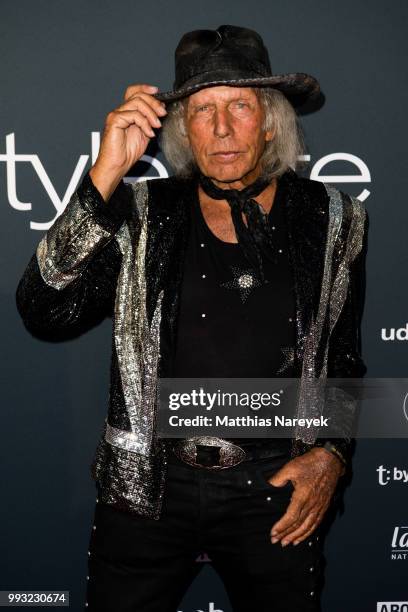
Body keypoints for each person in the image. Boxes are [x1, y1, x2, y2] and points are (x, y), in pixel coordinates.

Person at [15, 24, 368, 612]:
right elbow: (44, 309)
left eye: (239, 106)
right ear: (182, 128)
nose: (222, 129)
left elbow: (346, 355)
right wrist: (104, 175)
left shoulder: (334, 216)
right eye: (203, 110)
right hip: (147, 490)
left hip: (274, 491)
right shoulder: (141, 210)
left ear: (272, 120)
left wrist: (332, 453)